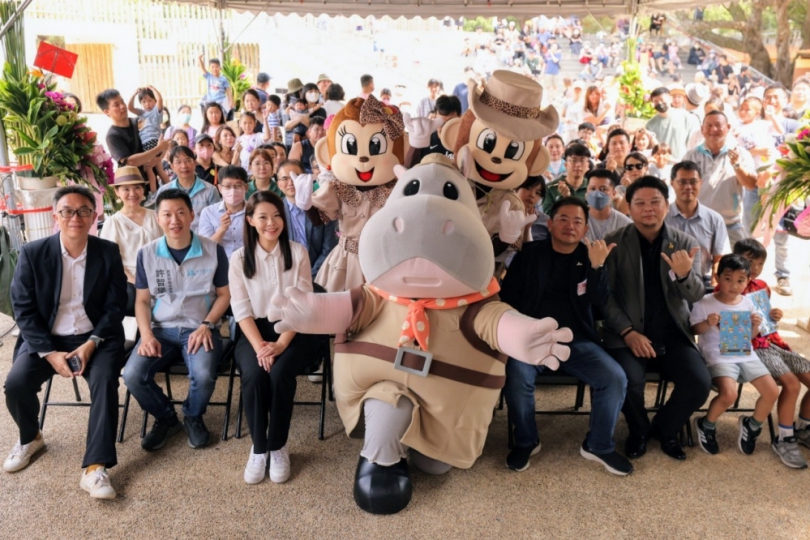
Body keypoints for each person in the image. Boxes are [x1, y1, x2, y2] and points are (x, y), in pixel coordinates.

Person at [4, 186, 127, 498]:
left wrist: (91, 343)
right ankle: (31, 437)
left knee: (104, 380)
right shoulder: (33, 253)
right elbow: (24, 308)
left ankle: (95, 468)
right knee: (16, 383)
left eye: (84, 210)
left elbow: (115, 307)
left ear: (94, 215)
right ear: (55, 215)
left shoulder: (107, 252)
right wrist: (48, 353)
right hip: (47, 338)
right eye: (67, 211)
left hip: (96, 337)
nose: (76, 217)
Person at [502, 197, 632, 475]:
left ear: (585, 230)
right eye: (563, 219)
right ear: (549, 224)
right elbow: (508, 299)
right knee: (517, 377)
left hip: (578, 341)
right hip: (531, 340)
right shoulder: (529, 255)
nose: (569, 226)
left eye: (577, 221)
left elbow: (599, 303)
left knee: (614, 377)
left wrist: (597, 269)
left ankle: (599, 445)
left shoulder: (590, 259)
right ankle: (526, 440)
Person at [603, 176, 711, 461]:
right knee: (628, 379)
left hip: (673, 332)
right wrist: (627, 332)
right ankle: (638, 431)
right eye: (639, 203)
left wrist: (685, 274)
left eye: (655, 202)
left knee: (699, 383)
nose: (647, 208)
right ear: (629, 207)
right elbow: (605, 297)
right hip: (628, 335)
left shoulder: (685, 243)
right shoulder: (613, 243)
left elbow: (696, 294)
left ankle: (665, 429)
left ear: (667, 205)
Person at [123, 188, 231, 451]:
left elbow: (224, 295)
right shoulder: (146, 253)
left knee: (204, 375)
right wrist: (146, 334)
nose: (175, 220)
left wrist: (207, 325)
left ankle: (193, 416)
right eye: (167, 214)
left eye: (181, 212)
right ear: (158, 219)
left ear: (192, 215)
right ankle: (166, 417)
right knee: (132, 375)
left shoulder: (213, 250)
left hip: (200, 327)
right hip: (161, 330)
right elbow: (142, 300)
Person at [728, 240, 810, 467]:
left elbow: (766, 321)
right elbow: (730, 328)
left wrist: (773, 315)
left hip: (775, 343)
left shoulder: (763, 286)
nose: (754, 267)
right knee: (792, 384)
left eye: (760, 263)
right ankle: (784, 439)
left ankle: (803, 427)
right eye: (749, 261)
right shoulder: (729, 286)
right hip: (755, 347)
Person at [690, 254, 778, 457]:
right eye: (728, 278)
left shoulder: (748, 303)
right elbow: (693, 329)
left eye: (741, 280)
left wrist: (755, 326)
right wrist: (707, 323)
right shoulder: (705, 302)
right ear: (717, 277)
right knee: (729, 394)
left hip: (744, 353)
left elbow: (749, 336)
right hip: (717, 355)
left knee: (772, 391)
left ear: (747, 281)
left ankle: (752, 425)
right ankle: (707, 424)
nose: (734, 285)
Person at [682, 111, 757, 248]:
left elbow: (751, 184)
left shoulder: (741, 154)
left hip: (729, 224)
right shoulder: (691, 155)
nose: (713, 129)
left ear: (728, 127)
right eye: (709, 125)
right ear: (702, 129)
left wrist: (737, 165)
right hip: (697, 223)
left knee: (735, 266)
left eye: (718, 125)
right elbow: (680, 187)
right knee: (697, 267)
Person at [99, 166, 163, 314]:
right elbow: (111, 262)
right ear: (117, 192)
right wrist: (137, 282)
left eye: (137, 187)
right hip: (129, 284)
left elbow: (165, 248)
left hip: (159, 279)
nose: (132, 193)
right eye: (126, 189)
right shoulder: (113, 223)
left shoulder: (156, 216)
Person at [664, 161, 729, 289]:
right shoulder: (662, 217)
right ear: (672, 183)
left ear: (701, 182)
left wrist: (713, 288)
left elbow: (719, 259)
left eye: (693, 182)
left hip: (702, 282)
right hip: (667, 283)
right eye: (682, 182)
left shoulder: (714, 219)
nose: (688, 187)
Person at [762, 85, 799, 296]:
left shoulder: (793, 125)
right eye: (768, 98)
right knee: (751, 232)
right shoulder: (755, 125)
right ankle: (746, 276)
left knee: (781, 236)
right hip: (756, 187)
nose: (771, 101)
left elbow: (797, 150)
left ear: (785, 100)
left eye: (776, 97)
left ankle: (782, 275)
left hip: (783, 189)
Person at [97, 89, 169, 196]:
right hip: (132, 191)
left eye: (122, 102)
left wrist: (157, 159)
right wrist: (157, 150)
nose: (122, 106)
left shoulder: (140, 121)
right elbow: (130, 162)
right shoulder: (112, 136)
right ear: (107, 111)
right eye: (116, 105)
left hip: (153, 186)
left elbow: (163, 143)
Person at [276, 160, 338, 279]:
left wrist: (312, 275)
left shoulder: (321, 207)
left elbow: (329, 248)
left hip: (319, 276)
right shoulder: (275, 213)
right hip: (285, 277)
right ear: (279, 184)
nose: (291, 183)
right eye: (285, 179)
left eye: (296, 176)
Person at [157, 146, 221, 232]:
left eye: (188, 160)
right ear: (172, 166)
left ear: (195, 163)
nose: (184, 166)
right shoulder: (164, 191)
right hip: (174, 239)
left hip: (202, 240)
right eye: (178, 162)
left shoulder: (210, 190)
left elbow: (216, 222)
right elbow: (160, 221)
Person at [127, 86, 170, 200]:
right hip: (148, 144)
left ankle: (154, 193)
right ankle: (170, 189)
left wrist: (153, 89)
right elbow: (130, 107)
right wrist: (134, 94)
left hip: (152, 142)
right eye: (144, 101)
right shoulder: (141, 113)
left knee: (149, 169)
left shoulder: (156, 112)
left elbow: (160, 100)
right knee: (159, 169)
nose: (147, 104)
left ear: (154, 101)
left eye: (150, 100)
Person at [199, 165, 248, 258]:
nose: (233, 190)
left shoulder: (254, 211)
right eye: (227, 186)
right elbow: (206, 247)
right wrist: (222, 229)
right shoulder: (208, 212)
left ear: (246, 187)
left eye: (238, 185)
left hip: (249, 264)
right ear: (220, 188)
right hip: (220, 264)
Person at [646, 87, 701, 162]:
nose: (659, 103)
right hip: (659, 167)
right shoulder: (650, 124)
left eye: (662, 99)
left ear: (670, 99)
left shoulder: (687, 118)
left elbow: (694, 143)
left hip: (681, 164)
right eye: (656, 101)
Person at [542, 143, 591, 213]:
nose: (578, 165)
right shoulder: (550, 188)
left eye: (582, 161)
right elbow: (549, 216)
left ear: (588, 165)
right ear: (565, 164)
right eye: (574, 160)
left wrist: (568, 198)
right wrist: (563, 198)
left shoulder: (593, 187)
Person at [584, 169, 631, 241]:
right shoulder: (577, 219)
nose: (597, 194)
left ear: (614, 194)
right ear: (586, 192)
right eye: (592, 189)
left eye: (603, 189)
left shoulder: (625, 225)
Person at [418, 95, 461, 160]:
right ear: (434, 117)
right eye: (441, 122)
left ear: (460, 118)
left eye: (450, 122)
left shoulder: (466, 143)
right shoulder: (426, 142)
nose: (445, 127)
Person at [515, 176, 549, 242]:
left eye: (538, 193)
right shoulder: (503, 212)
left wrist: (527, 229)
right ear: (516, 188)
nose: (532, 195)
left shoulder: (545, 221)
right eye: (528, 188)